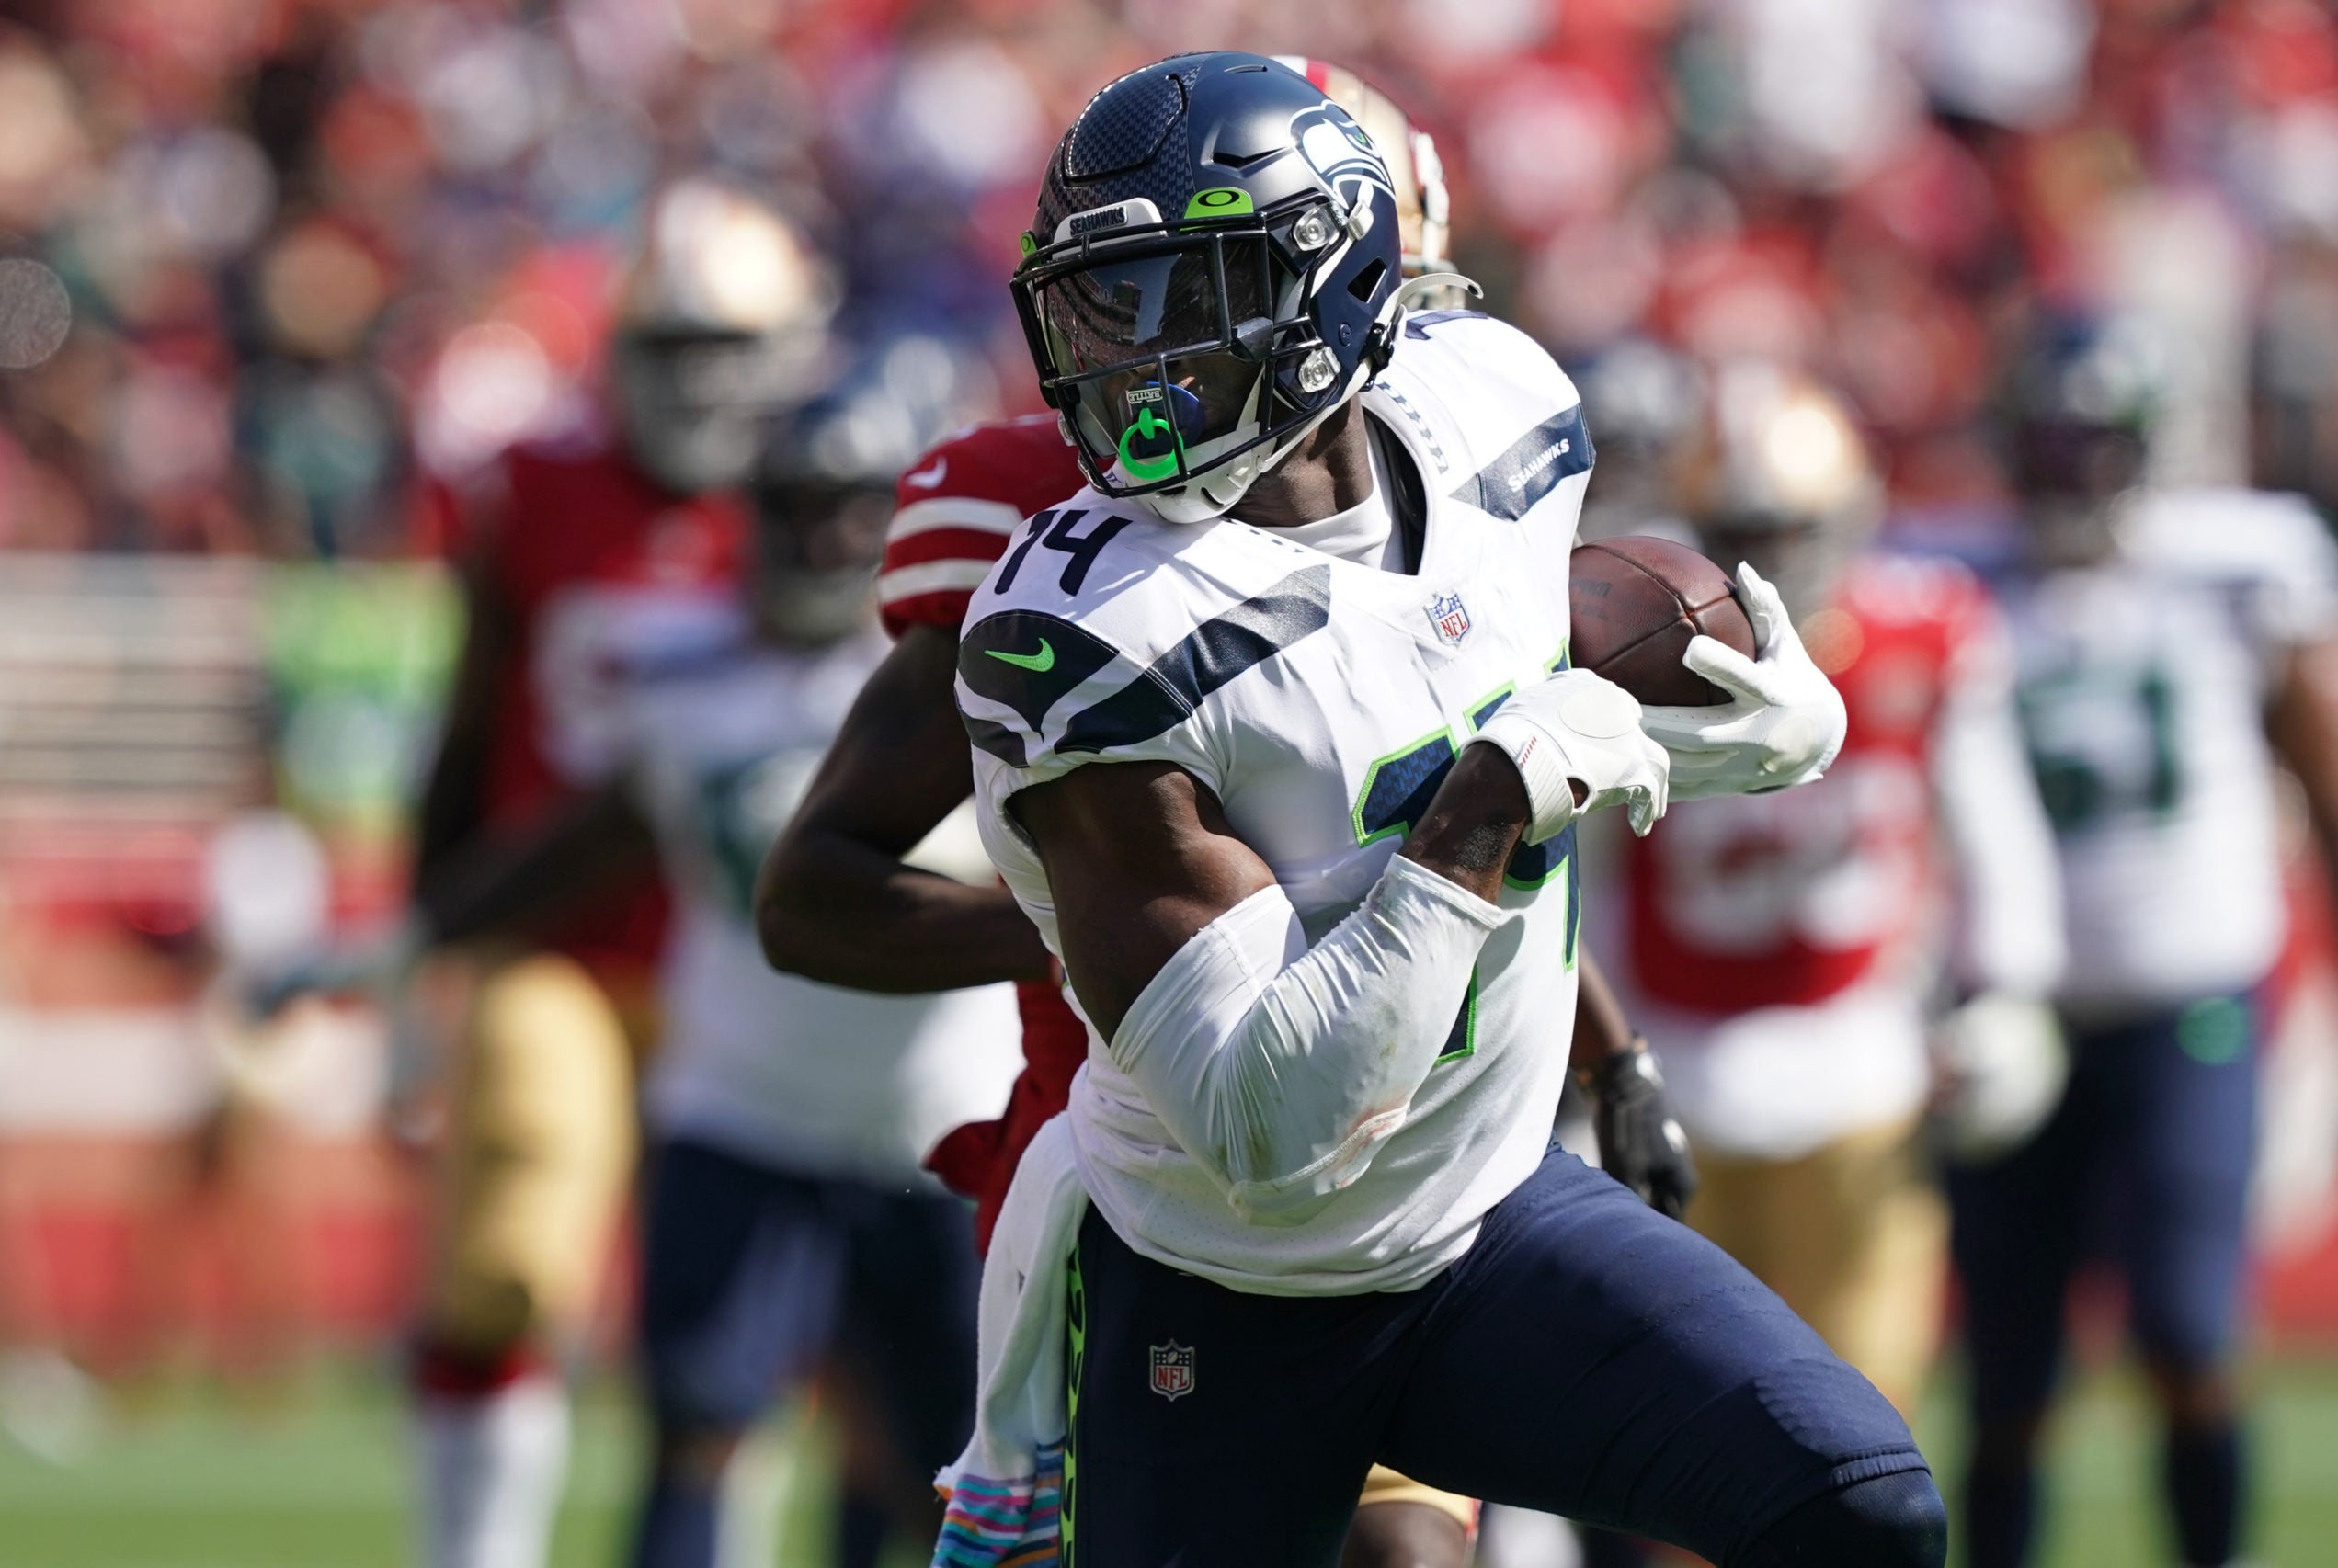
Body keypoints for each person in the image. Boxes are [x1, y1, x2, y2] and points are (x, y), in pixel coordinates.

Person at [919, 53, 1942, 1568]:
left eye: (1187, 292)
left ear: (1333, 279)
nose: (1134, 357)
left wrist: (1740, 706)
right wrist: (1491, 804)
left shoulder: (1496, 409)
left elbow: (1534, 639)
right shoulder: (1081, 635)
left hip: (1488, 1219)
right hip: (1225, 1285)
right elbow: (1275, 1122)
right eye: (1101, 300)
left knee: (1859, 1505)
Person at [753, 62, 1694, 1568]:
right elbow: (816, 893)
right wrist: (1086, 934)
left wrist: (1607, 1048)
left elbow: (1468, 806)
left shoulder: (1460, 467)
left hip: (1404, 1173)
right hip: (1145, 1181)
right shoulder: (1050, 529)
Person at [415, 353, 1025, 1568]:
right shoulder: (679, 673)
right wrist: (402, 936)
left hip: (942, 1126)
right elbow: (587, 839)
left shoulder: (976, 671)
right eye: (793, 504)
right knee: (697, 1426)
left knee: (955, 1471)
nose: (820, 533)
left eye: (846, 504)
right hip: (742, 1115)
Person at [395, 179, 832, 1568]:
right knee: (511, 1254)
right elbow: (467, 727)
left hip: (752, 955)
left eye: (727, 353)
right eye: (672, 353)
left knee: (736, 1312)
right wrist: (429, 939)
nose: (699, 387)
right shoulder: (531, 488)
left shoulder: (826, 498)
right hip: (558, 939)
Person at [1588, 362, 2067, 1422]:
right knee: (1683, 1429)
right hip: (1677, 1066)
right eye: (1741, 528)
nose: (1772, 561)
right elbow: (1594, 875)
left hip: (1858, 1060)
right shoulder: (1639, 648)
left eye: (1794, 528)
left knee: (1861, 1417)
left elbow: (1993, 830)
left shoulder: (1920, 629)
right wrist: (1591, 1054)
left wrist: (2008, 989)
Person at [1949, 314, 2338, 1568]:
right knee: (2011, 1372)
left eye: (2095, 445)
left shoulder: (2235, 564)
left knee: (2188, 1331)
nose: (2073, 472)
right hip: (2013, 1020)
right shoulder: (1948, 577)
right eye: (2053, 445)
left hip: (2190, 1007)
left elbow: (2321, 769)